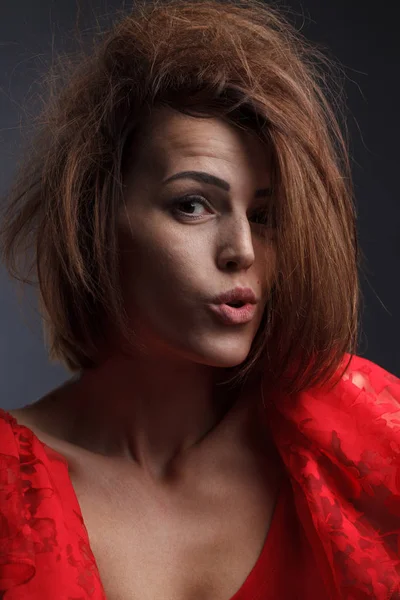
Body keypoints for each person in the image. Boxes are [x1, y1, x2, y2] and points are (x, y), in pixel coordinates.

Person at [0, 0, 399, 598]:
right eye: (193, 204)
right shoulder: (11, 488)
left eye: (263, 216)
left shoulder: (353, 437)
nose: (242, 249)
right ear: (94, 218)